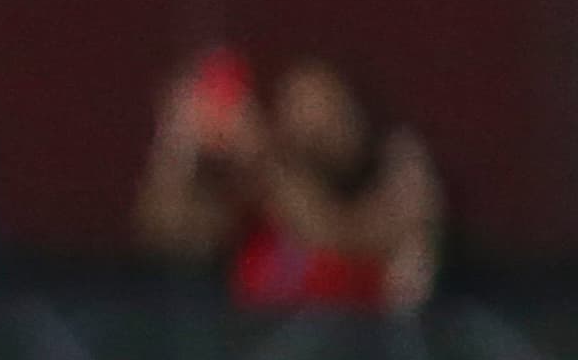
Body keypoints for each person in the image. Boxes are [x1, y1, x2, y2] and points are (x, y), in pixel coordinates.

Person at [136, 51, 439, 312]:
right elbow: (168, 232)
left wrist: (260, 155)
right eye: (298, 106)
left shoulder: (398, 179)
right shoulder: (266, 197)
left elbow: (336, 238)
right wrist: (178, 144)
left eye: (328, 108)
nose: (313, 125)